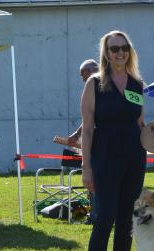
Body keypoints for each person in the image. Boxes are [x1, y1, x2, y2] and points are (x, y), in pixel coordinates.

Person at [78, 30, 147, 251]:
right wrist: (86, 168)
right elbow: (86, 129)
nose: (120, 53)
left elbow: (140, 123)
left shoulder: (136, 84)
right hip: (104, 155)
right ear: (106, 53)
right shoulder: (94, 83)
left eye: (124, 48)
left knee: (127, 216)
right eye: (114, 48)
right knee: (105, 215)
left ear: (129, 51)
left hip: (133, 155)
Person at [67, 59, 99, 224]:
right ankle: (95, 214)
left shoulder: (101, 86)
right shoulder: (92, 88)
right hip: (93, 145)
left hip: (102, 145)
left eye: (83, 74)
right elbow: (88, 119)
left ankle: (96, 215)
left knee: (96, 182)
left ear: (91, 71)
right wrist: (76, 134)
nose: (82, 78)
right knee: (92, 182)